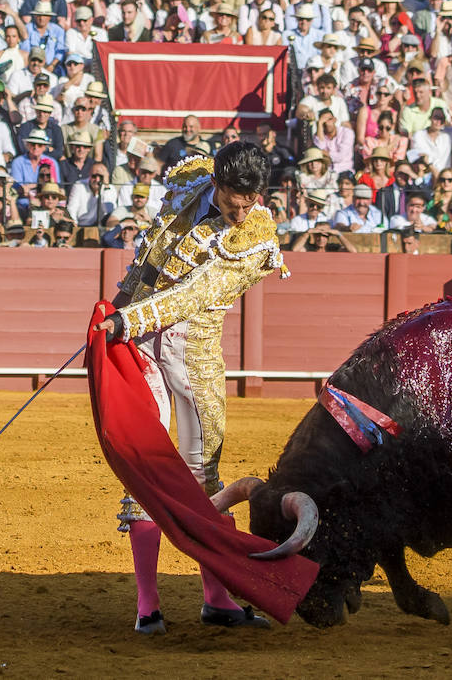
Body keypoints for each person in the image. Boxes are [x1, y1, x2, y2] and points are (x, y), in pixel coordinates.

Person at [96, 142, 287, 634]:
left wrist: (125, 320)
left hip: (192, 362)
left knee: (202, 478)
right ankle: (147, 606)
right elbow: (151, 259)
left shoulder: (256, 235)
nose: (242, 211)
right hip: (144, 353)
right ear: (217, 183)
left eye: (251, 201)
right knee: (147, 471)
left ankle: (217, 599)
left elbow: (193, 294)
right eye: (233, 200)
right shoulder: (189, 183)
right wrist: (121, 302)